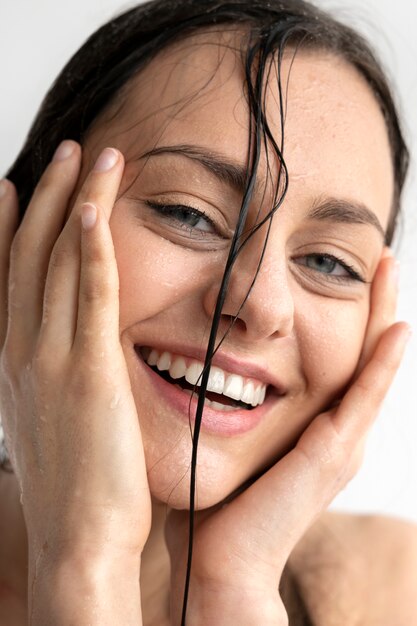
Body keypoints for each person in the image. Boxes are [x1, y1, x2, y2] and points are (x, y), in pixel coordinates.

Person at [0, 0, 416, 623]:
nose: (261, 304)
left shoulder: (394, 589)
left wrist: (234, 590)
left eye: (330, 262)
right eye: (188, 214)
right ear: (24, 237)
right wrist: (85, 561)